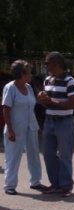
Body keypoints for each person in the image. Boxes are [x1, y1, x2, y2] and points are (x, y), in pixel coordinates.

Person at [2, 60, 47, 195]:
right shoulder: (10, 87)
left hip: (30, 126)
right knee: (13, 156)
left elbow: (32, 106)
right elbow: (6, 108)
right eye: (29, 73)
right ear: (22, 74)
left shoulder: (28, 87)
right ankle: (9, 185)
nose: (31, 75)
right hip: (15, 127)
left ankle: (35, 181)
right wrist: (10, 129)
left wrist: (36, 125)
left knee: (34, 154)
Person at [37, 51, 74, 197]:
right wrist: (41, 98)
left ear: (57, 63)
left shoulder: (70, 81)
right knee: (48, 154)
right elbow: (46, 101)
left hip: (64, 122)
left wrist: (51, 101)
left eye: (47, 63)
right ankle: (55, 184)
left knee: (65, 155)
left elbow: (73, 103)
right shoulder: (47, 80)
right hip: (49, 120)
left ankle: (66, 186)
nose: (46, 66)